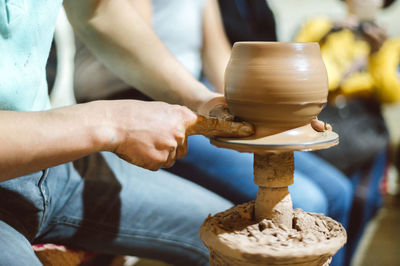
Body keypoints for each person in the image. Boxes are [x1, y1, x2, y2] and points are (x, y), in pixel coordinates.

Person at [0, 0, 262, 265]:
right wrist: (113, 123)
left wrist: (198, 98)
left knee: (244, 242)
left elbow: (98, 11)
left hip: (54, 159)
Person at [73, 0, 352, 243]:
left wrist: (278, 107)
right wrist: (205, 103)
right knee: (306, 201)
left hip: (194, 91)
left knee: (338, 192)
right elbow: (134, 42)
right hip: (136, 98)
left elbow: (218, 56)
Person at [295, 0, 400, 264]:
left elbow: (390, 93)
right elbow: (302, 75)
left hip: (363, 133)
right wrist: (334, 38)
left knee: (363, 200)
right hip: (323, 123)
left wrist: (376, 54)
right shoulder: (319, 27)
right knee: (322, 201)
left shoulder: (390, 43)